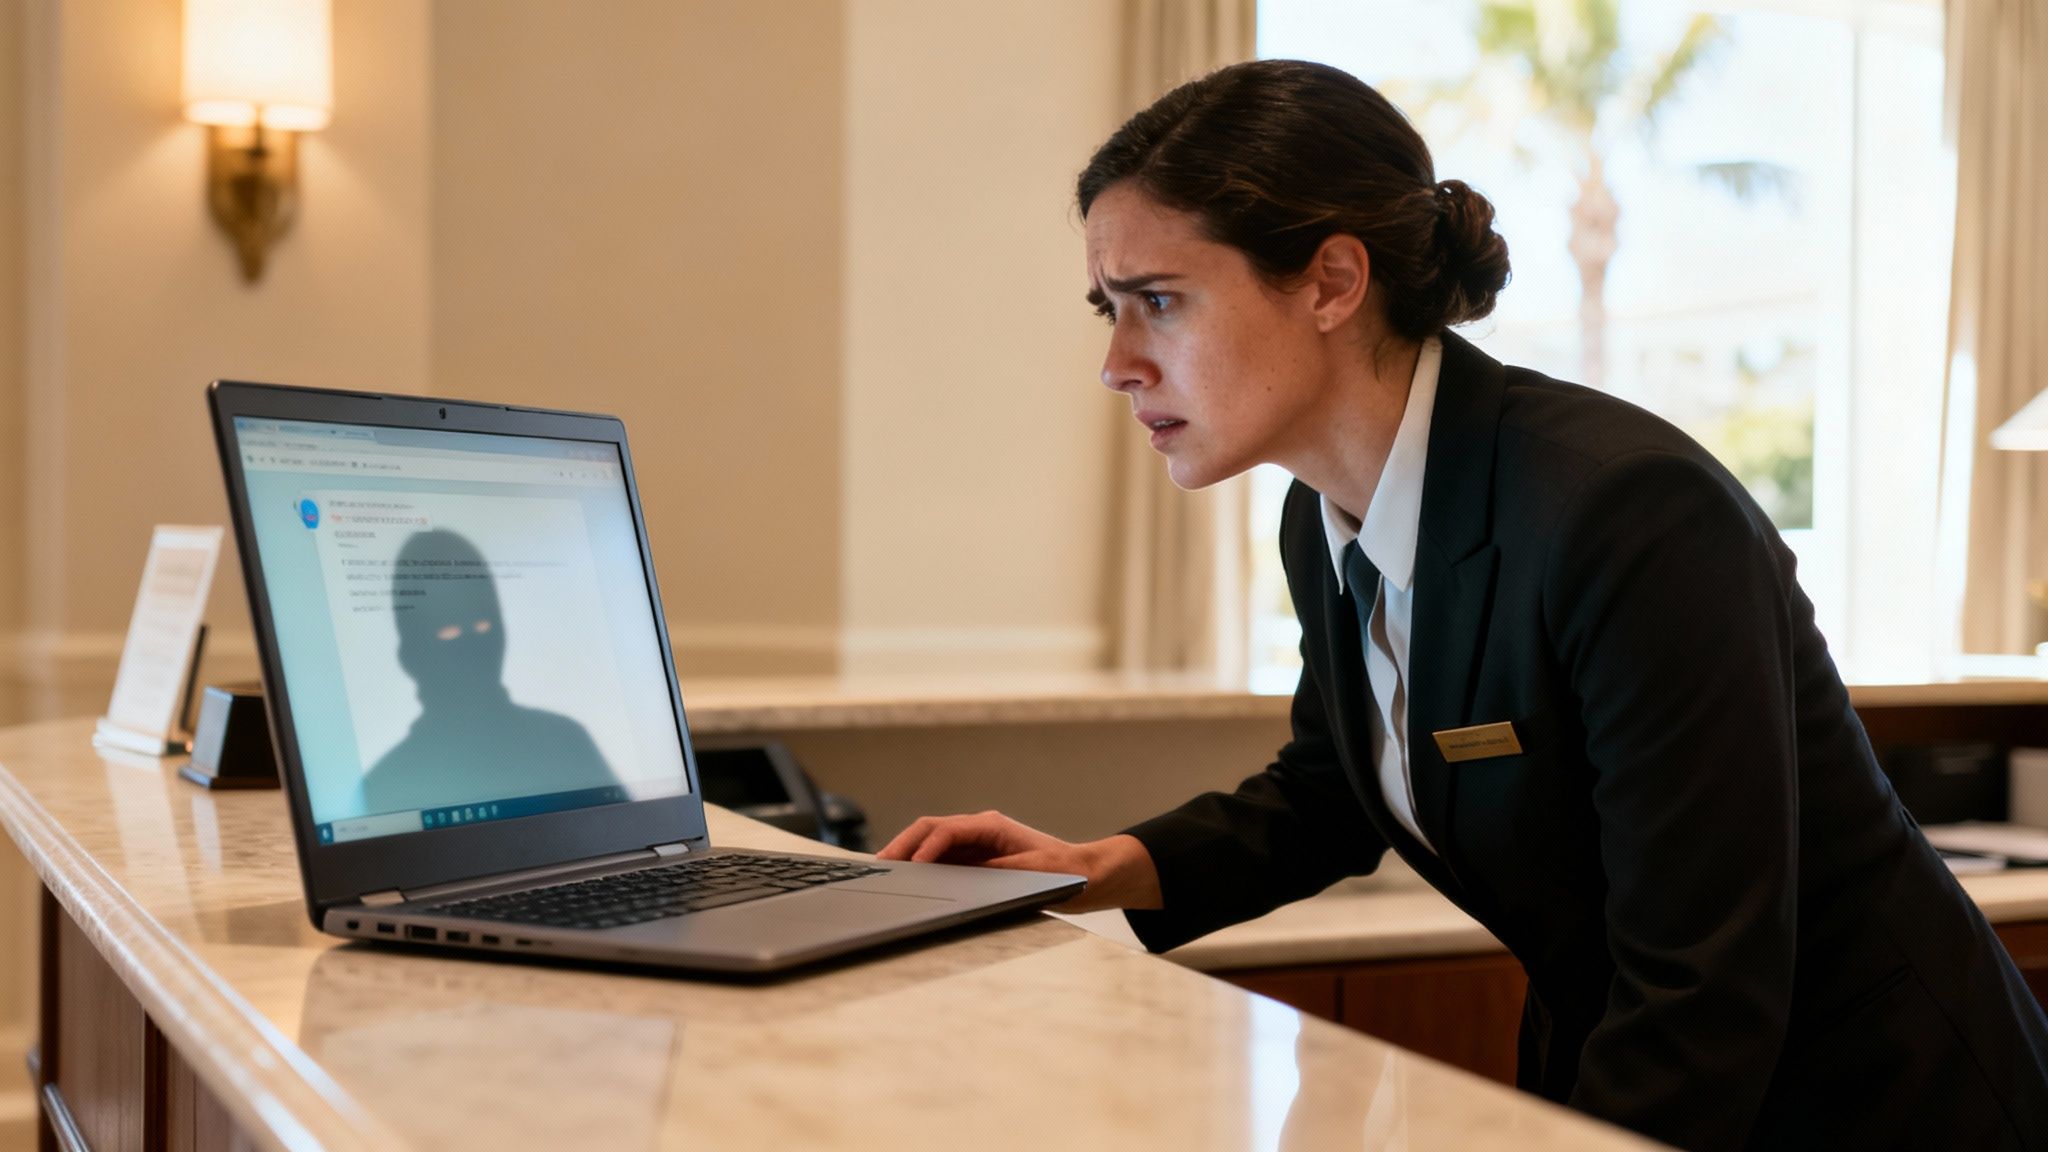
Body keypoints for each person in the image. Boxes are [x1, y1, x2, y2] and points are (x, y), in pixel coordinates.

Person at [878, 59, 2048, 1151]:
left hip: (1869, 1102)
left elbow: (1705, 978)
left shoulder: (1624, 512)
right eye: (1108, 309)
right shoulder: (1320, 514)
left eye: (1159, 302)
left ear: (1331, 281)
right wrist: (1091, 868)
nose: (1118, 361)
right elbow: (1333, 789)